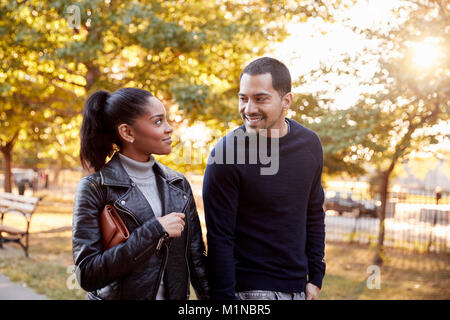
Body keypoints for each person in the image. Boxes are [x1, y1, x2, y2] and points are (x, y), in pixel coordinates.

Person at [203, 57, 326, 300]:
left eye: (260, 99)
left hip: (299, 289)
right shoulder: (226, 154)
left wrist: (316, 277)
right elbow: (219, 239)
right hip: (248, 291)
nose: (248, 109)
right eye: (243, 98)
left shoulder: (310, 144)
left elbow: (313, 212)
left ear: (286, 101)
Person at [72, 87, 209, 300]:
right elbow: (88, 274)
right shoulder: (95, 188)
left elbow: (197, 261)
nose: (169, 128)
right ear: (127, 132)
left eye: (166, 120)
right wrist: (155, 231)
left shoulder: (178, 184)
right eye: (158, 121)